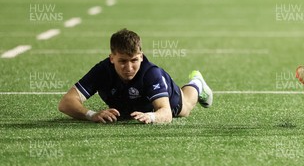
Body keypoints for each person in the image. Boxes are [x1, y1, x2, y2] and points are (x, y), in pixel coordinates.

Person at [58, 28, 213, 124]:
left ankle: (197, 83)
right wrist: (91, 115)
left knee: (185, 108)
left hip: (165, 101)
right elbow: (66, 103)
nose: (129, 67)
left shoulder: (151, 73)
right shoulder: (102, 71)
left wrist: (151, 117)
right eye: (122, 61)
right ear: (112, 58)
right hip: (131, 107)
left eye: (134, 60)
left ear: (141, 56)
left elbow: (165, 113)